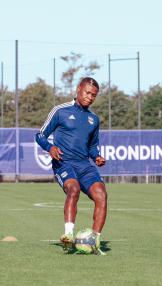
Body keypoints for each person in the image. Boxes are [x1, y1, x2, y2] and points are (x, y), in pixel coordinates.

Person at [36, 77, 107, 254]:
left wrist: (96, 156)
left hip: (85, 165)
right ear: (78, 89)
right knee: (73, 189)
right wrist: (50, 147)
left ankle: (94, 239)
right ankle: (68, 234)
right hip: (63, 163)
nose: (90, 97)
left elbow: (92, 145)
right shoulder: (60, 111)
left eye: (94, 95)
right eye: (87, 93)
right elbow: (40, 135)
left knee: (101, 194)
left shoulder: (93, 119)